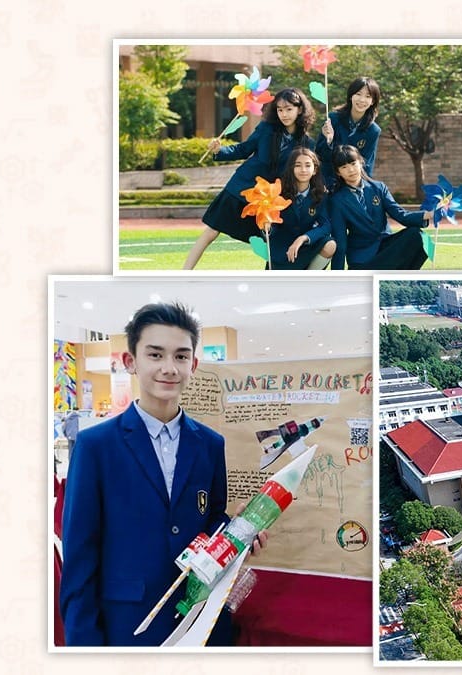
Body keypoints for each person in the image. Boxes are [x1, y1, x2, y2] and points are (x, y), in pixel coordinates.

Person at [59, 303, 267, 646]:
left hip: (200, 619)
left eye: (181, 357)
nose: (169, 368)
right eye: (155, 355)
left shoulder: (210, 444)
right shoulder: (96, 445)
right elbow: (80, 557)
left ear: (193, 365)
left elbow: (210, 519)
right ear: (131, 362)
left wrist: (237, 534)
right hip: (128, 624)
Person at [183, 88, 317, 269]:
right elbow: (243, 149)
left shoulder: (307, 143)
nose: (284, 114)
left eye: (289, 109)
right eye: (279, 110)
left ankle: (272, 277)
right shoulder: (266, 128)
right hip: (242, 187)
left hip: (269, 200)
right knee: (212, 231)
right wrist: (219, 151)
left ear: (299, 110)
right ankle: (185, 272)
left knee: (271, 239)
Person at [327, 145, 433, 270]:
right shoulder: (337, 200)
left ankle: (402, 278)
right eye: (344, 167)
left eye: (353, 163)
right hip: (362, 258)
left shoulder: (378, 188)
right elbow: (341, 241)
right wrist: (337, 276)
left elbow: (400, 215)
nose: (351, 170)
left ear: (361, 162)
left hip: (386, 247)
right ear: (338, 172)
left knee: (418, 236)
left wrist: (429, 214)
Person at [268, 147, 337, 270]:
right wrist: (266, 227)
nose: (303, 170)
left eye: (308, 165)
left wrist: (303, 238)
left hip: (306, 246)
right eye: (298, 165)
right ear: (291, 169)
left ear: (314, 169)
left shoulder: (321, 194)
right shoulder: (278, 192)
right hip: (282, 248)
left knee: (330, 244)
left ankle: (308, 280)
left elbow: (325, 226)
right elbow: (272, 224)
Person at [316, 77, 381, 189]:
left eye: (368, 96)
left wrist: (360, 188)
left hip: (352, 185)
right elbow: (320, 155)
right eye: (358, 94)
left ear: (373, 101)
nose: (362, 100)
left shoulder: (373, 130)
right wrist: (329, 141)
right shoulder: (333, 119)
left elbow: (367, 165)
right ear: (351, 96)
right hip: (327, 182)